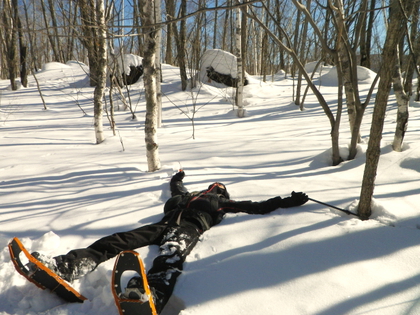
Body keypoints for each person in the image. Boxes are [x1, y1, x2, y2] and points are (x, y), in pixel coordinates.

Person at [32, 171, 308, 313]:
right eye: (215, 186)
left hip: (187, 229)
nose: (216, 187)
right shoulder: (188, 195)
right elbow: (176, 188)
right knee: (117, 240)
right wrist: (178, 177)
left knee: (169, 258)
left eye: (219, 187)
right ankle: (67, 266)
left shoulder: (223, 203)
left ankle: (148, 295)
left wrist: (287, 200)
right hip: (162, 225)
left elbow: (255, 206)